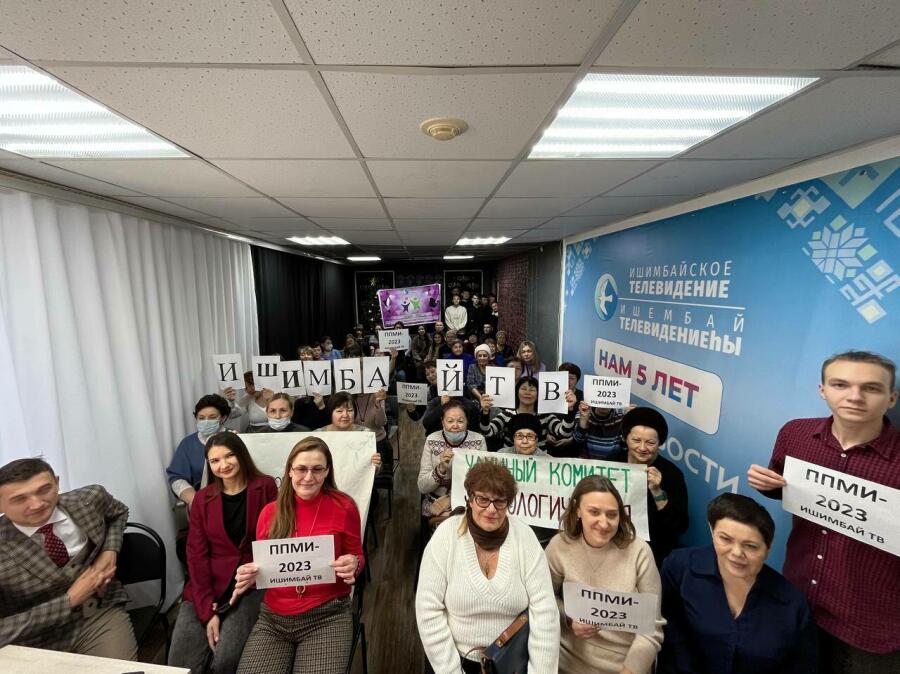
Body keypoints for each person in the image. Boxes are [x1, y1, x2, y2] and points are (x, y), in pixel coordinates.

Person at [747, 351, 899, 671]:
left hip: (870, 630)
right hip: (799, 600)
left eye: (871, 388)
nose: (854, 396)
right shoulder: (795, 434)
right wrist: (768, 485)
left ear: (891, 398)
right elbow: (788, 489)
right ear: (823, 390)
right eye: (840, 384)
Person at [232, 437, 365, 673]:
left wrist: (354, 563)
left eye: (317, 469)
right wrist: (251, 574)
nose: (308, 477)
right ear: (290, 471)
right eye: (301, 469)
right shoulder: (269, 513)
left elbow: (357, 556)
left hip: (327, 615)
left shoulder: (344, 506)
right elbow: (265, 567)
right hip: (274, 619)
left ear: (327, 472)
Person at [416, 461, 560, 673]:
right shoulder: (446, 536)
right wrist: (451, 670)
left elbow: (545, 612)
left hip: (512, 662)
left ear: (509, 503)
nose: (491, 509)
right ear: (470, 499)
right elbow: (428, 610)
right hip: (456, 659)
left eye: (500, 501)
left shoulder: (525, 538)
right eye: (483, 499)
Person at [659, 493, 817, 674]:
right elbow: (666, 627)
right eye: (725, 539)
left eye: (750, 546)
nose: (736, 553)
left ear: (768, 548)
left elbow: (804, 666)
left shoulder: (793, 604)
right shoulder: (680, 567)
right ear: (712, 532)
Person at [0, 458, 137, 659]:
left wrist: (110, 551)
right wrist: (68, 601)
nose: (37, 504)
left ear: (56, 483)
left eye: (44, 489)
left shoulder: (88, 500)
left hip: (97, 614)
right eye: (19, 499)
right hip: (30, 640)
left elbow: (118, 513)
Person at [168, 434, 278, 674]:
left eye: (229, 456)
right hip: (207, 583)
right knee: (180, 664)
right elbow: (196, 555)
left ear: (241, 455)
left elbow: (275, 540)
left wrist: (256, 573)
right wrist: (207, 611)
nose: (224, 465)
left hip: (250, 583)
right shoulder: (202, 499)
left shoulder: (266, 486)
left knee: (226, 661)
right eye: (215, 461)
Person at [545, 476, 664, 674]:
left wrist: (629, 671)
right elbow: (543, 600)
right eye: (594, 512)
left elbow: (651, 628)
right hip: (568, 661)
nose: (604, 523)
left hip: (623, 664)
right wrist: (569, 618)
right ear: (577, 510)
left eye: (611, 515)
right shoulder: (559, 547)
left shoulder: (639, 552)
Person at [610, 407, 688, 567]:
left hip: (652, 551)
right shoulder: (612, 462)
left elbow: (679, 526)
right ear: (626, 438)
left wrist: (657, 491)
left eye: (650, 442)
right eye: (636, 440)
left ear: (659, 443)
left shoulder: (672, 474)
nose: (642, 448)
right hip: (612, 541)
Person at [417, 400, 487, 527]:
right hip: (436, 503)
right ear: (442, 421)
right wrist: (441, 468)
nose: (455, 426)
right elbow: (422, 486)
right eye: (450, 421)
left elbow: (482, 481)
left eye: (460, 421)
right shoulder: (432, 440)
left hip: (468, 501)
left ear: (467, 421)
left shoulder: (478, 441)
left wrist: (451, 499)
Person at [167, 393, 233, 508]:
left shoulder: (235, 439)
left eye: (212, 417)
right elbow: (177, 477)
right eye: (201, 418)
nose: (206, 421)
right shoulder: (188, 444)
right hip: (201, 499)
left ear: (223, 418)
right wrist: (195, 500)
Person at [480, 376, 576, 447]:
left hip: (539, 462)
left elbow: (564, 433)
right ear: (516, 392)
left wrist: (570, 410)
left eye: (532, 390)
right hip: (511, 461)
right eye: (523, 389)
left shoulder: (545, 415)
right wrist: (485, 412)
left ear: (538, 395)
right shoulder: (507, 414)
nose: (527, 392)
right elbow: (487, 432)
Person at [316, 392, 383, 471]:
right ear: (330, 413)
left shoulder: (365, 433)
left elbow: (372, 471)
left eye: (350, 410)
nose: (345, 415)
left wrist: (376, 466)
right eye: (339, 411)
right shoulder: (318, 436)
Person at [546, 363, 585, 457]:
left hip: (573, 447)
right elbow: (542, 416)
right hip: (549, 445)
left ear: (577, 380)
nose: (567, 381)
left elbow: (584, 422)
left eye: (571, 378)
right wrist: (545, 435)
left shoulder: (583, 397)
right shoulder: (549, 394)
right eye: (564, 378)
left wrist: (572, 439)